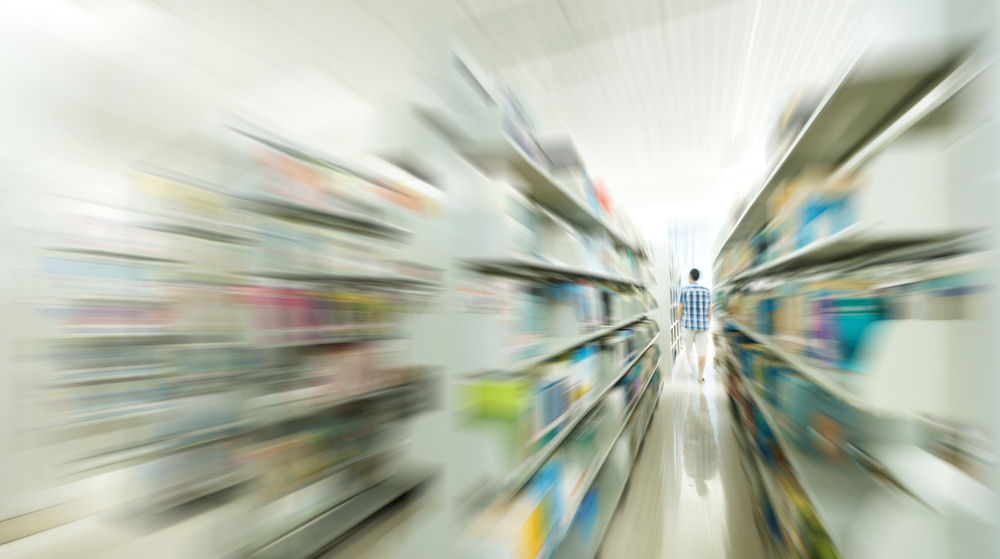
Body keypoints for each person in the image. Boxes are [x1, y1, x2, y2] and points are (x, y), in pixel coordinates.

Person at [677, 268, 711, 383]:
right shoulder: (706, 291)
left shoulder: (684, 290)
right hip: (703, 326)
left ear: (690, 276)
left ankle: (693, 371)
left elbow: (680, 307)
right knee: (702, 351)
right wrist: (708, 322)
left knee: (689, 350)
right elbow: (709, 310)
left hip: (688, 325)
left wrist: (679, 321)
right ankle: (700, 377)